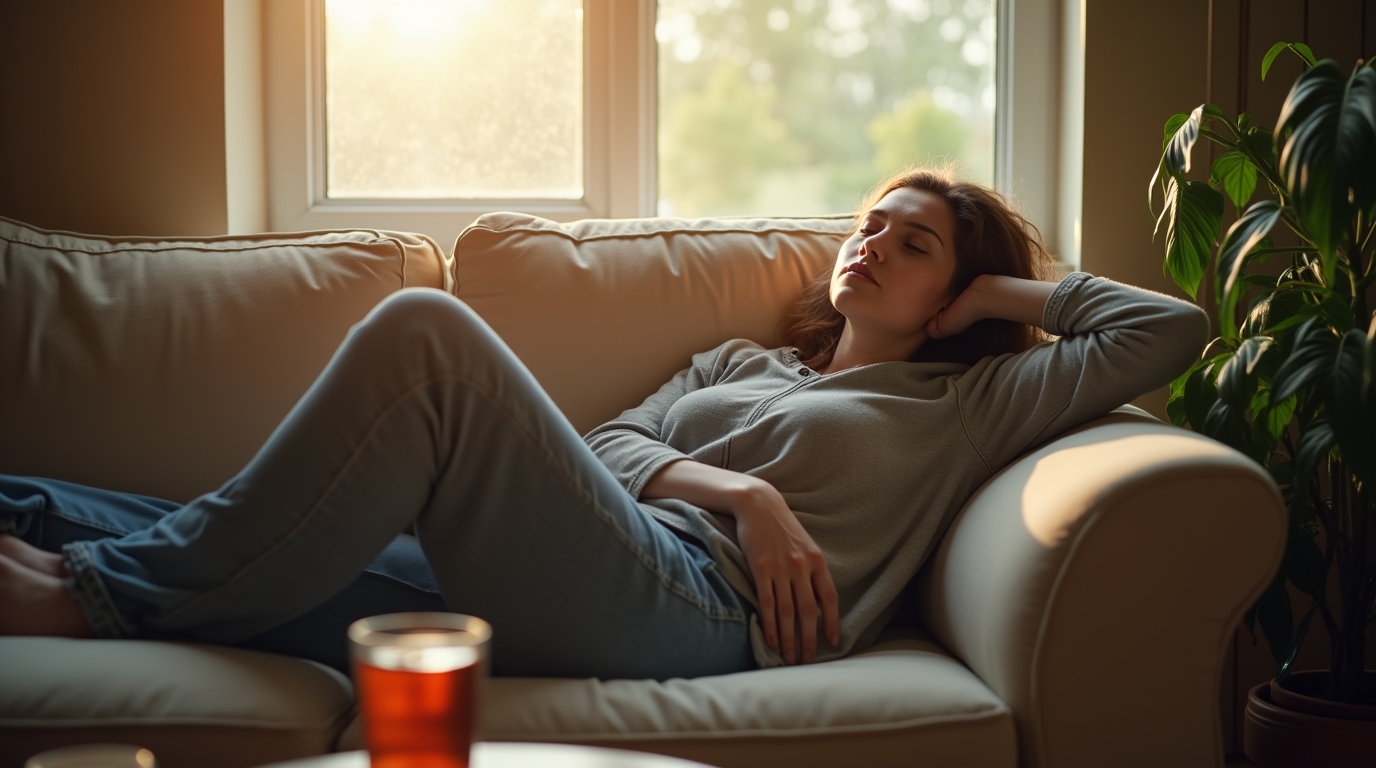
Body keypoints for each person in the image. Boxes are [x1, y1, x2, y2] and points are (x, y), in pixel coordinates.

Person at [0, 168, 1209, 679]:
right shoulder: (743, 359)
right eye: (868, 222)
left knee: (429, 338)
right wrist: (745, 490)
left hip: (698, 612)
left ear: (954, 291)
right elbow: (607, 451)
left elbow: (1165, 330)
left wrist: (998, 295)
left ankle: (84, 598)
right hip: (613, 556)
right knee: (254, 543)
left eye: (913, 242)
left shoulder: (969, 399)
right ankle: (55, 546)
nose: (871, 243)